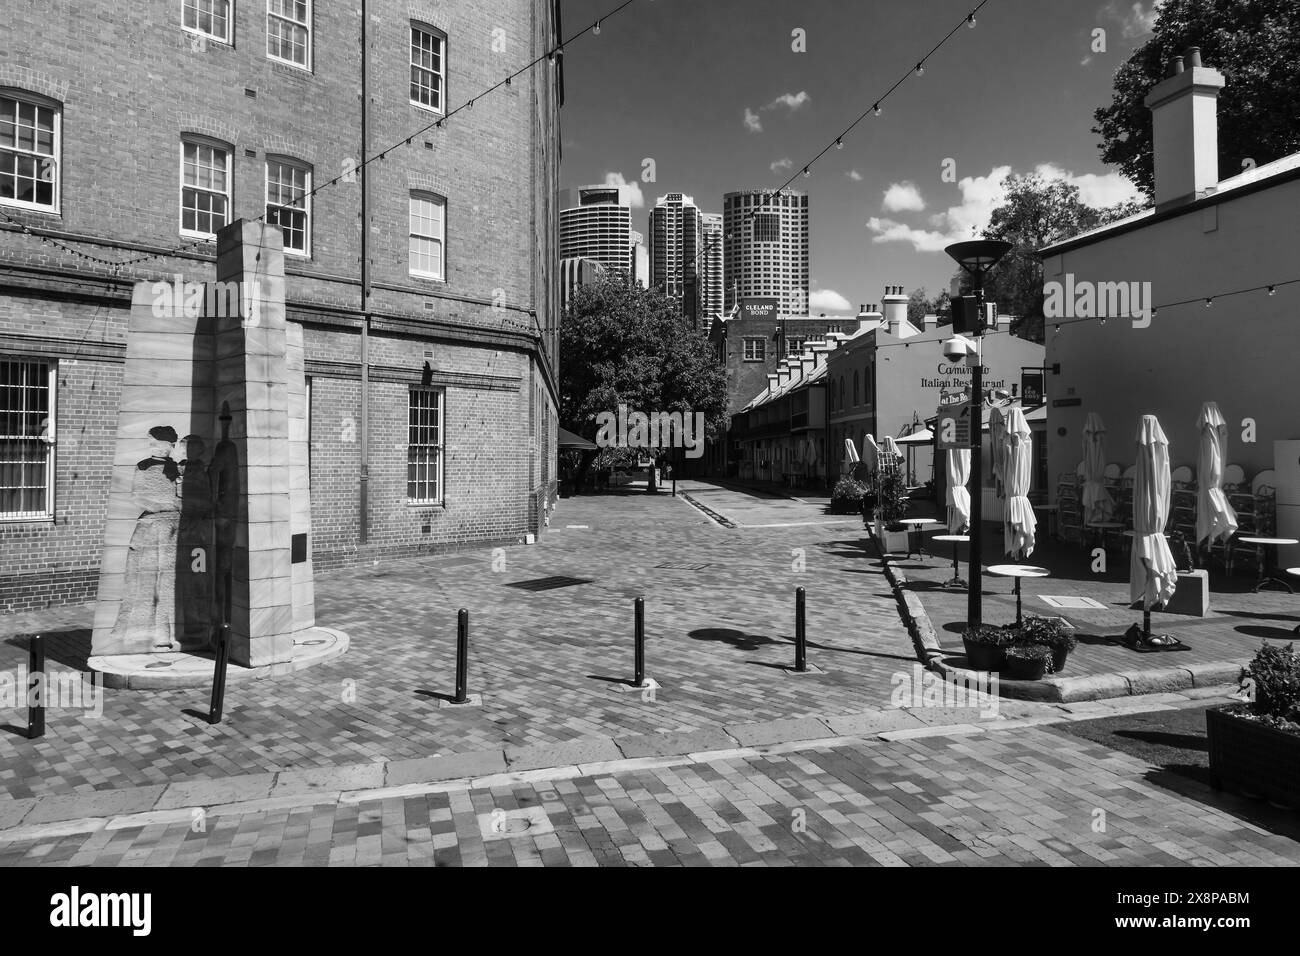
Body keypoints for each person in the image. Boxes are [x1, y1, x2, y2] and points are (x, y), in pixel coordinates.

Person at [110, 425, 182, 652]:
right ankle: (135, 631)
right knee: (142, 580)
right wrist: (166, 506)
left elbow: (183, 496)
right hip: (150, 526)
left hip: (173, 528)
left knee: (168, 582)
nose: (163, 448)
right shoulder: (143, 466)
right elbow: (138, 497)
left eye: (168, 445)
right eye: (158, 443)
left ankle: (164, 633)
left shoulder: (177, 468)